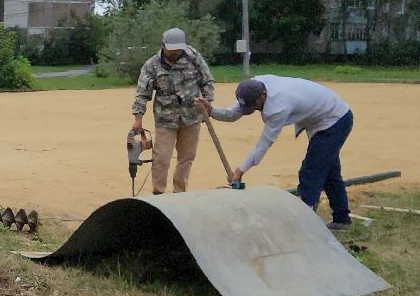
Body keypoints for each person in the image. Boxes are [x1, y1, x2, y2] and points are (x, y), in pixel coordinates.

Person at [203, 76, 355, 230]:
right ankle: (342, 219)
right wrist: (211, 111)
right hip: (322, 117)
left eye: (255, 106)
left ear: (262, 96)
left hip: (335, 120)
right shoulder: (253, 87)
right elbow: (232, 114)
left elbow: (263, 144)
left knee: (311, 170)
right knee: (329, 170)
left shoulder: (278, 106)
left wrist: (240, 170)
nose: (255, 109)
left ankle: (305, 224)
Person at [130, 27, 215, 194]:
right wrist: (138, 118)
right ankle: (158, 192)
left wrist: (208, 104)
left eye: (178, 49)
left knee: (187, 157)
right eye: (172, 50)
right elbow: (142, 93)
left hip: (192, 116)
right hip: (165, 119)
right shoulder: (152, 65)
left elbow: (207, 81)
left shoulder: (193, 58)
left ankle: (179, 193)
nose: (175, 53)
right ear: (164, 46)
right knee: (161, 158)